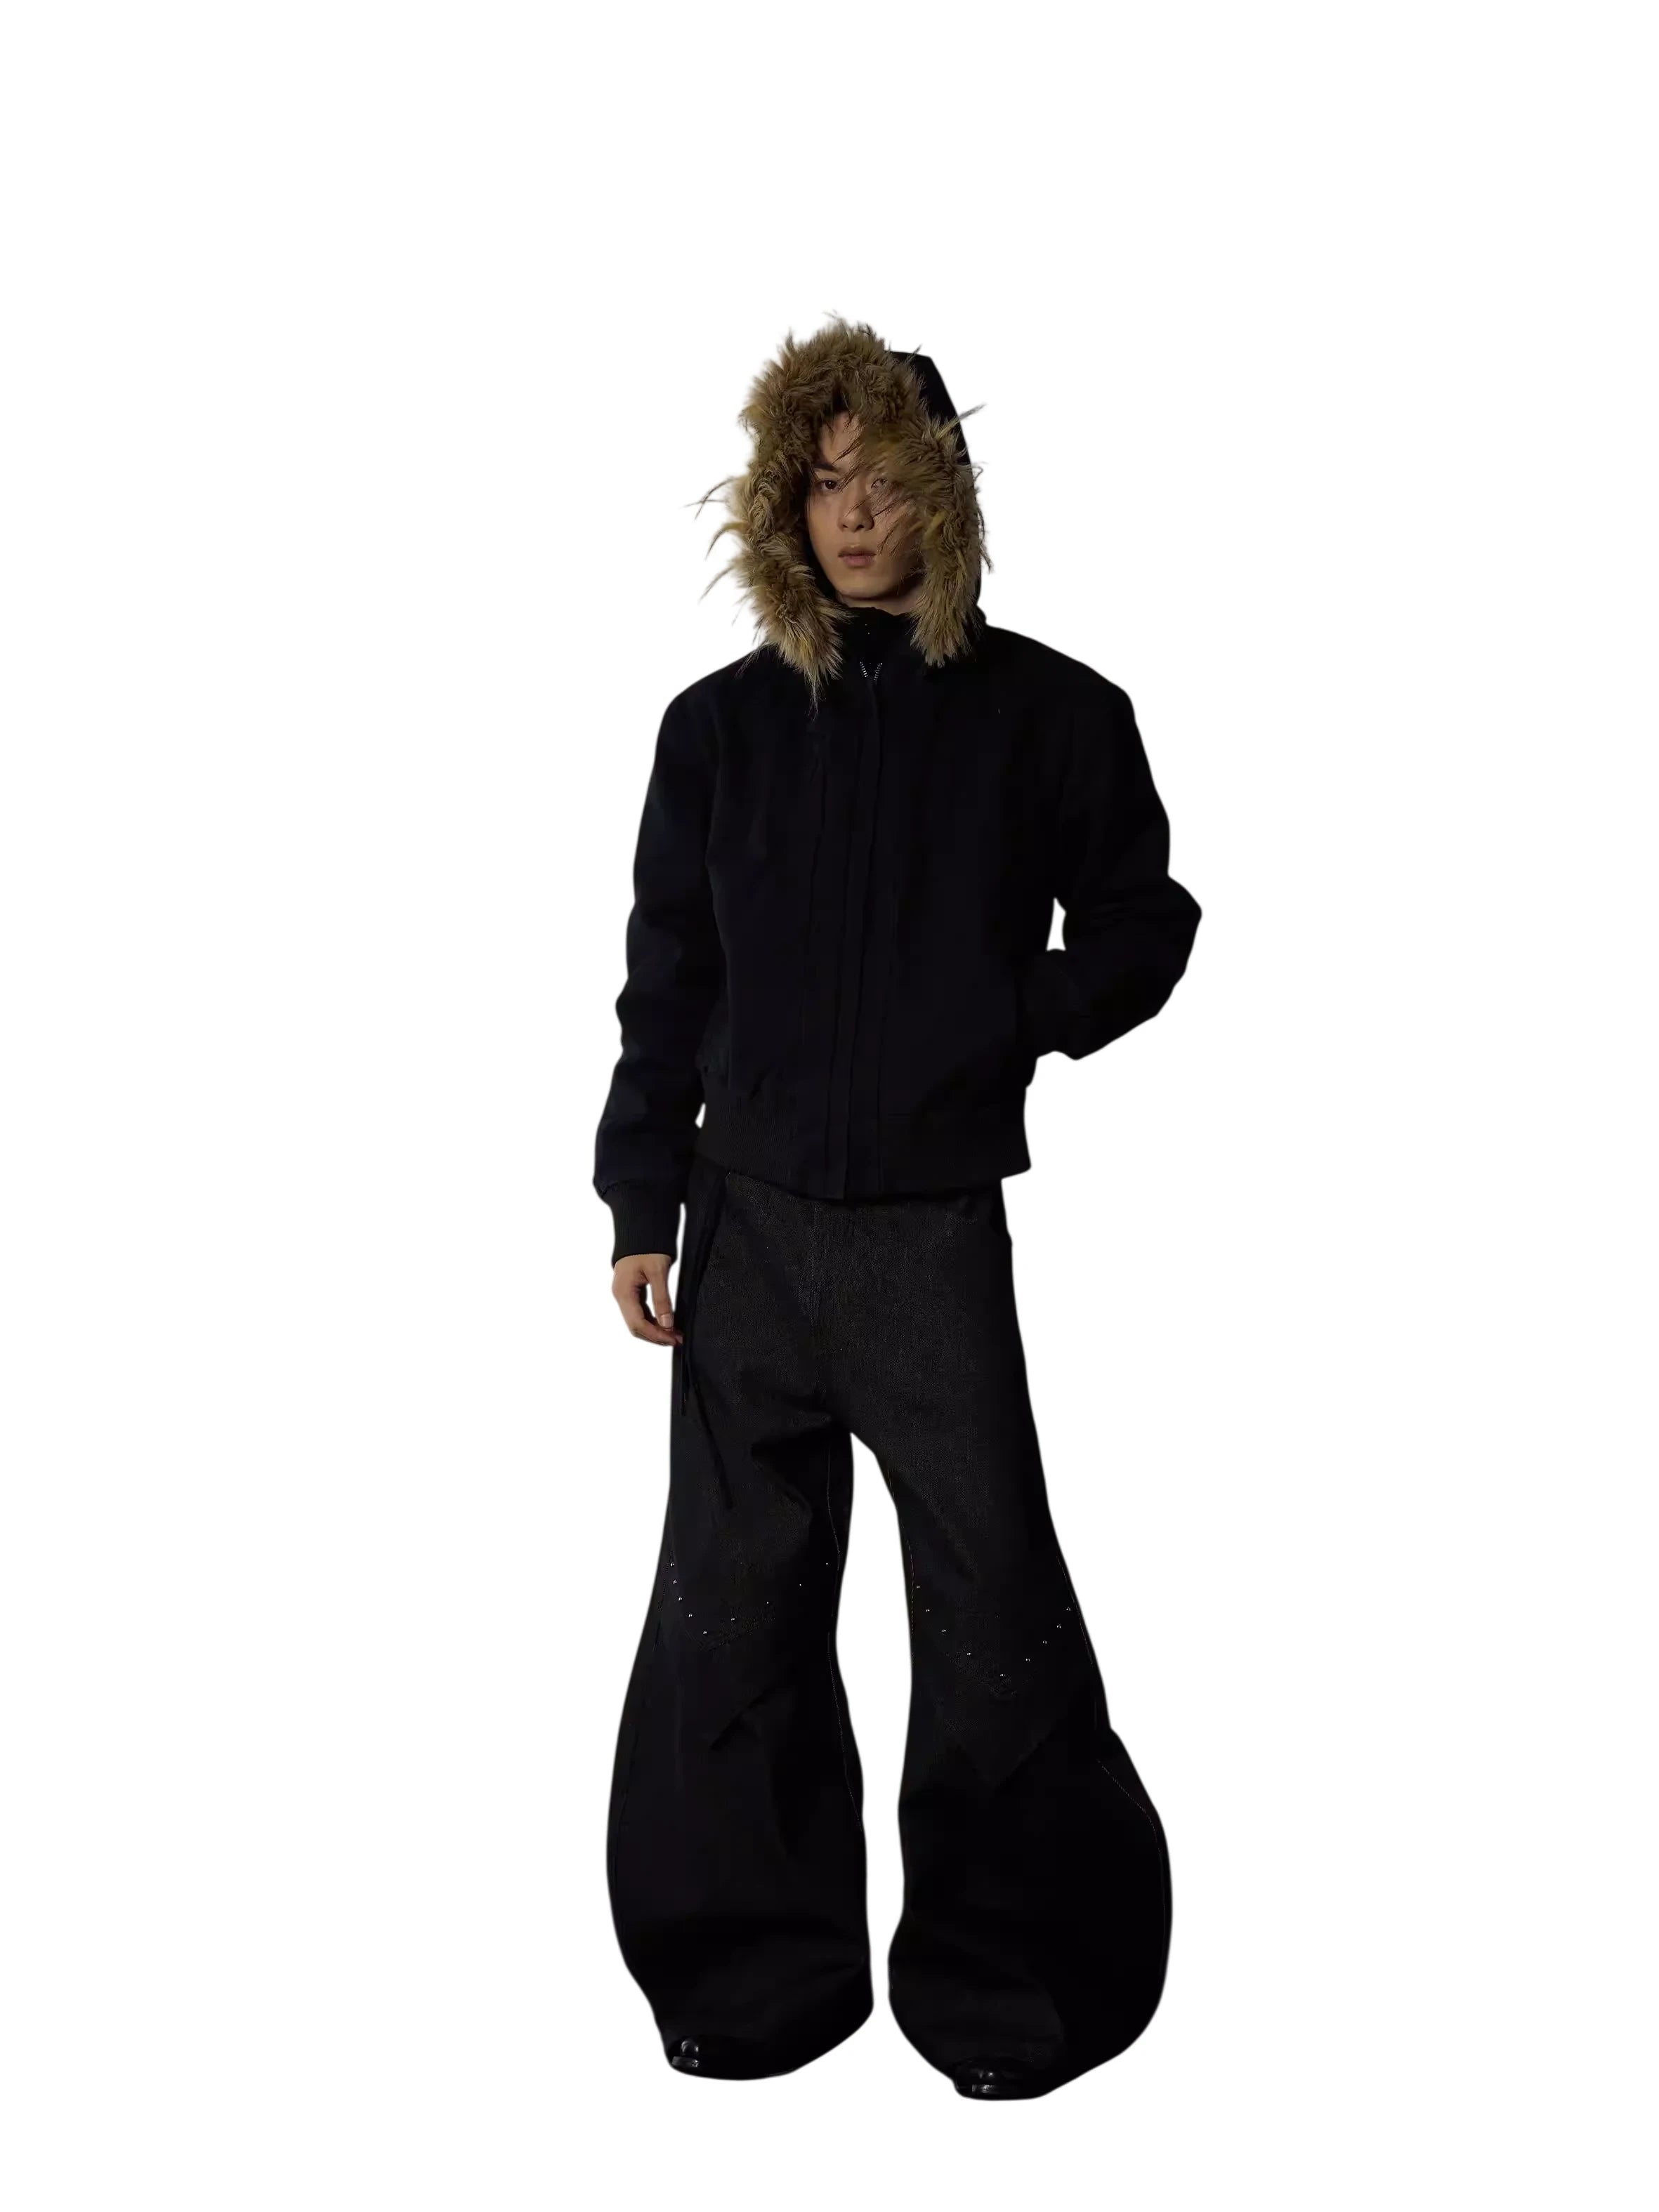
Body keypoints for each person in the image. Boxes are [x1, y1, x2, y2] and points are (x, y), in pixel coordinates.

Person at [593, 316, 1201, 2099]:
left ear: (947, 491)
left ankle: (1015, 1989)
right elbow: (667, 982)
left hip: (930, 1240)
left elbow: (1144, 920)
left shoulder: (1050, 717)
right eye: (822, 484)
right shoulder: (716, 731)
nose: (855, 515)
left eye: (886, 480)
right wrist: (641, 1198)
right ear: (781, 509)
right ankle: (748, 1981)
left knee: (991, 1610)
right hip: (747, 1230)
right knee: (731, 1616)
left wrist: (1010, 1019)